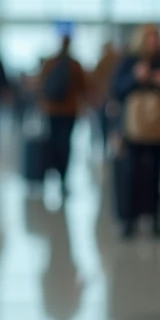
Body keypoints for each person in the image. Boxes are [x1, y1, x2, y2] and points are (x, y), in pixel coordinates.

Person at [110, 25, 160, 238]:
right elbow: (116, 90)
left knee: (156, 173)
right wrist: (135, 78)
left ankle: (154, 217)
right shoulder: (129, 62)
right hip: (133, 127)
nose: (153, 42)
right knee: (130, 173)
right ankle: (129, 219)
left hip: (159, 128)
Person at [36, 35, 88, 198]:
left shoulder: (50, 63)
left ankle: (49, 172)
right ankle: (63, 177)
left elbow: (41, 84)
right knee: (65, 143)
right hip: (69, 110)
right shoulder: (75, 65)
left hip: (52, 109)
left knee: (52, 141)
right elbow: (82, 87)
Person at [90, 41, 120, 153]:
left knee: (104, 126)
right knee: (114, 126)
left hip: (104, 99)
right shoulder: (117, 61)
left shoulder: (102, 62)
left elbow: (94, 80)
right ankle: (113, 147)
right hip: (112, 99)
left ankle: (106, 147)